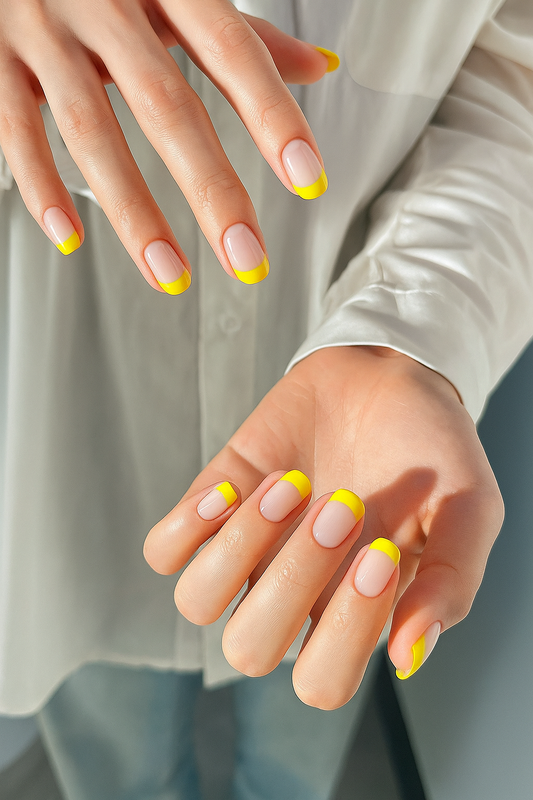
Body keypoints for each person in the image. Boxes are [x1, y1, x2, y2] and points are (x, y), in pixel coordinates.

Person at [0, 0, 532, 797]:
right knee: (118, 777)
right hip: (82, 444)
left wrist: (403, 335)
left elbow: (509, 79)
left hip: (356, 478)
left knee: (292, 769)